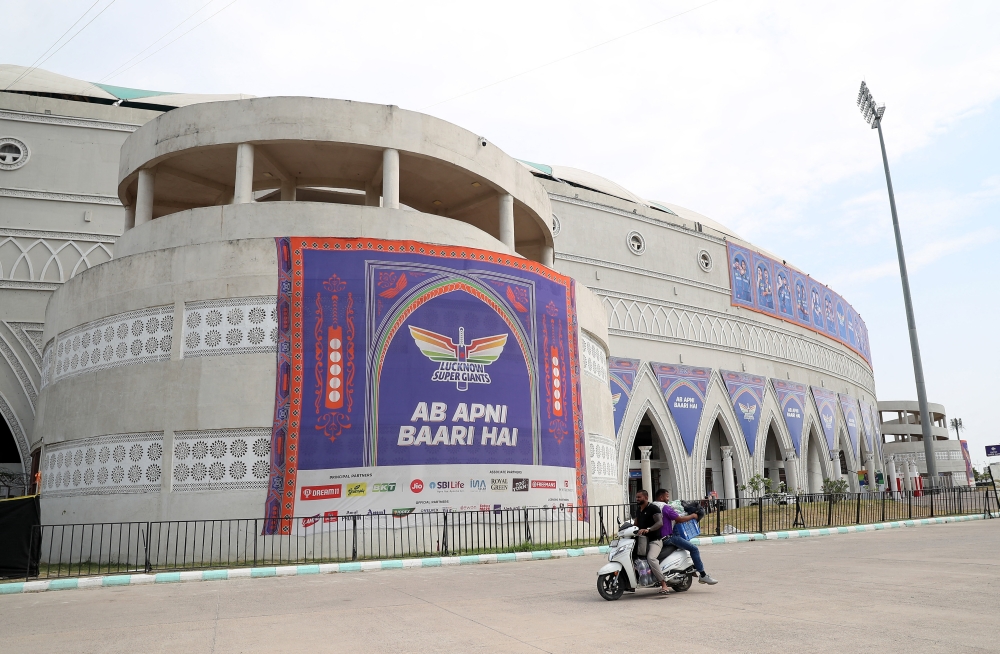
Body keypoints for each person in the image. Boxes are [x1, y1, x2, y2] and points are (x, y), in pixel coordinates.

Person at [655, 489, 718, 585]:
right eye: (667, 497)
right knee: (694, 549)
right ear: (661, 497)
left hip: (657, 538)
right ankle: (703, 575)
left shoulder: (653, 506)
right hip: (668, 538)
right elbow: (679, 519)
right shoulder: (665, 507)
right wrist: (693, 516)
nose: (668, 499)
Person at [633, 489, 670, 595]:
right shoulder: (639, 509)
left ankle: (664, 584)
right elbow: (636, 522)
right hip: (642, 541)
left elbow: (659, 523)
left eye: (639, 497)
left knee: (651, 558)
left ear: (646, 497)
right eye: (636, 497)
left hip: (655, 540)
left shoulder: (653, 508)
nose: (637, 499)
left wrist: (648, 529)